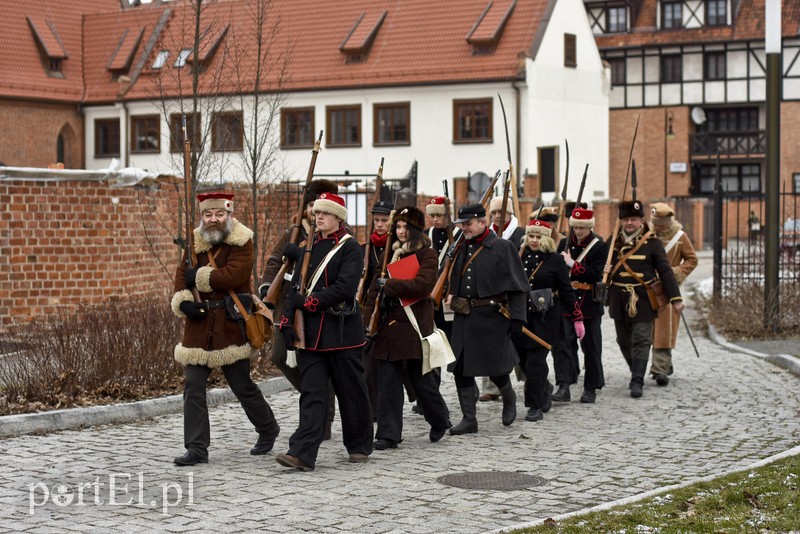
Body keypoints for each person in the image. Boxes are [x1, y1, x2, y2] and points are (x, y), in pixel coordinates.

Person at [171, 192, 280, 466]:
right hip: (199, 325)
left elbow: (234, 275)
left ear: (229, 215)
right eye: (208, 215)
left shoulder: (242, 240)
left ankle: (268, 428)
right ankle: (197, 448)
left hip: (230, 323)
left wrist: (198, 277)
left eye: (219, 214)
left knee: (241, 385)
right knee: (193, 385)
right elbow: (180, 277)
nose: (214, 220)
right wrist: (184, 302)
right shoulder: (194, 241)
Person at [276, 192, 373, 471]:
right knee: (312, 393)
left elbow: (344, 288)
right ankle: (302, 453)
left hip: (341, 331)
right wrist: (285, 321)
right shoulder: (309, 246)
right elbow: (295, 288)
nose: (318, 217)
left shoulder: (350, 247)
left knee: (351, 392)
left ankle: (358, 445)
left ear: (338, 217)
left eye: (325, 213)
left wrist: (308, 303)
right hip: (311, 333)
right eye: (317, 213)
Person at [258, 179, 338, 439]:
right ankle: (316, 400)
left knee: (318, 365)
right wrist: (267, 286)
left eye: (321, 207)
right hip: (288, 307)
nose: (316, 212)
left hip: (318, 308)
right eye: (312, 206)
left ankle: (321, 418)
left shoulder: (337, 233)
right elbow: (273, 261)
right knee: (280, 357)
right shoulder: (294, 231)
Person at [366, 206, 451, 450]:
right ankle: (389, 434)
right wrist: (367, 318)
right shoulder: (389, 254)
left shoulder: (427, 254)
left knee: (421, 381)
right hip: (387, 326)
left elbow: (423, 285)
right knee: (388, 383)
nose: (401, 232)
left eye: (406, 227)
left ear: (416, 230)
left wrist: (390, 285)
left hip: (413, 326)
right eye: (399, 227)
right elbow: (373, 289)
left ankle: (439, 419)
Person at [446, 203, 529, 434]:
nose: (464, 228)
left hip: (492, 316)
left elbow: (518, 287)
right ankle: (469, 419)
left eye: (468, 224)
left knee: (496, 368)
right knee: (460, 368)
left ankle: (509, 397)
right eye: (462, 225)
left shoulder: (503, 247)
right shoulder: (460, 247)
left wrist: (518, 319)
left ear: (482, 222)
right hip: (465, 316)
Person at [604, 200, 684, 398]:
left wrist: (676, 298)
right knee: (623, 341)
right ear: (621, 221)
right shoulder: (612, 242)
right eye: (626, 219)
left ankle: (637, 379)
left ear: (641, 220)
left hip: (644, 299)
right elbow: (598, 266)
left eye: (634, 219)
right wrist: (602, 270)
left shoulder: (653, 243)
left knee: (641, 339)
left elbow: (665, 272)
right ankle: (635, 370)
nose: (630, 223)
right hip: (619, 299)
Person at [514, 218, 584, 421]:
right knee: (525, 363)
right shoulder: (519, 257)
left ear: (546, 238)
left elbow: (567, 291)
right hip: (522, 318)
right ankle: (544, 387)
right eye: (531, 236)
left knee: (536, 363)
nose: (534, 240)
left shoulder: (555, 261)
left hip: (545, 319)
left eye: (538, 237)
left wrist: (577, 318)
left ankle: (534, 406)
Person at [554, 207, 608, 403]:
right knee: (563, 346)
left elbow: (595, 273)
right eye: (575, 227)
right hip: (567, 301)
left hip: (588, 304)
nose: (578, 231)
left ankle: (591, 387)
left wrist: (571, 264)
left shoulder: (599, 246)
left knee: (591, 347)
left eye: (582, 228)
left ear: (589, 227)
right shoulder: (563, 243)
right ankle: (563, 386)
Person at [479, 196, 524, 402]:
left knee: (517, 344)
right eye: (494, 213)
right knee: (489, 344)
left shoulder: (519, 235)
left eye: (501, 212)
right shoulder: (485, 235)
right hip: (491, 296)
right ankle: (491, 387)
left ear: (510, 214)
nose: (497, 216)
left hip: (511, 293)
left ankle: (531, 378)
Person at [648, 203, 698, 386]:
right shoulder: (648, 236)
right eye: (657, 224)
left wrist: (676, 273)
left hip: (670, 291)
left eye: (662, 224)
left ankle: (660, 368)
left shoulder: (680, 237)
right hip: (648, 289)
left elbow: (692, 259)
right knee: (647, 330)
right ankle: (663, 364)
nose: (659, 227)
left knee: (664, 330)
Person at [361, 200, 395, 417]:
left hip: (390, 309)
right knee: (368, 362)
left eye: (384, 220)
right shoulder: (366, 248)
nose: (380, 225)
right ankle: (372, 410)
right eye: (377, 220)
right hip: (368, 308)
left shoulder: (396, 247)